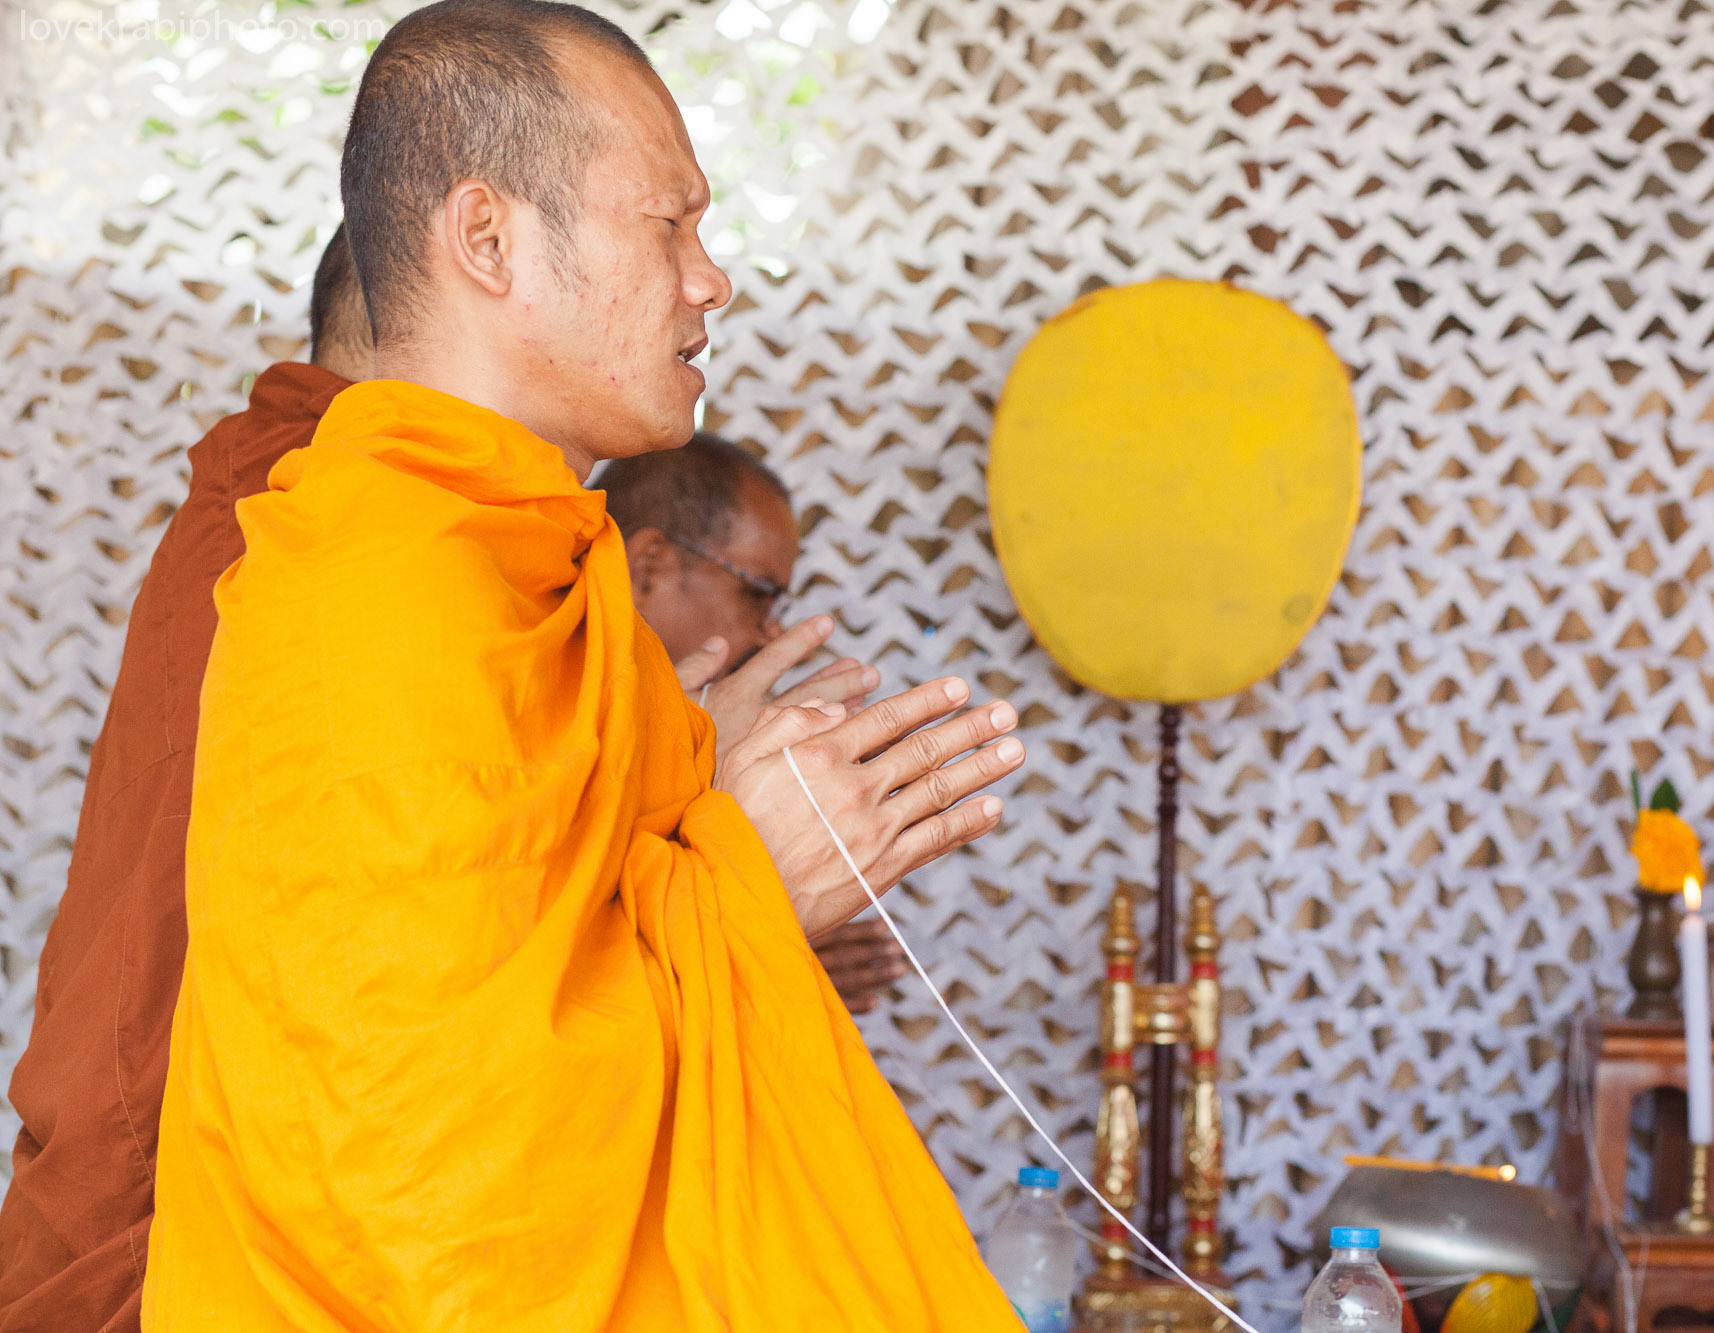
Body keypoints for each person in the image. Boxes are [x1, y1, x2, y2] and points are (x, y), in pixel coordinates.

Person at [142, 1, 1026, 1328]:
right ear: (488, 239)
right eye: (669, 223)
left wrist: (694, 779)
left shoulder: (541, 566)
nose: (711, 277)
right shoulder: (378, 583)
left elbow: (536, 946)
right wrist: (748, 883)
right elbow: (420, 1180)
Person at [0, 226, 371, 1332]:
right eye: (658, 231)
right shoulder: (308, 520)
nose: (701, 284)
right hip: (171, 1229)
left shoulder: (336, 510)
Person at [601, 436, 909, 1014]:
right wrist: (756, 955)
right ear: (647, 568)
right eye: (758, 593)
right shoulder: (529, 702)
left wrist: (779, 954)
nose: (770, 632)